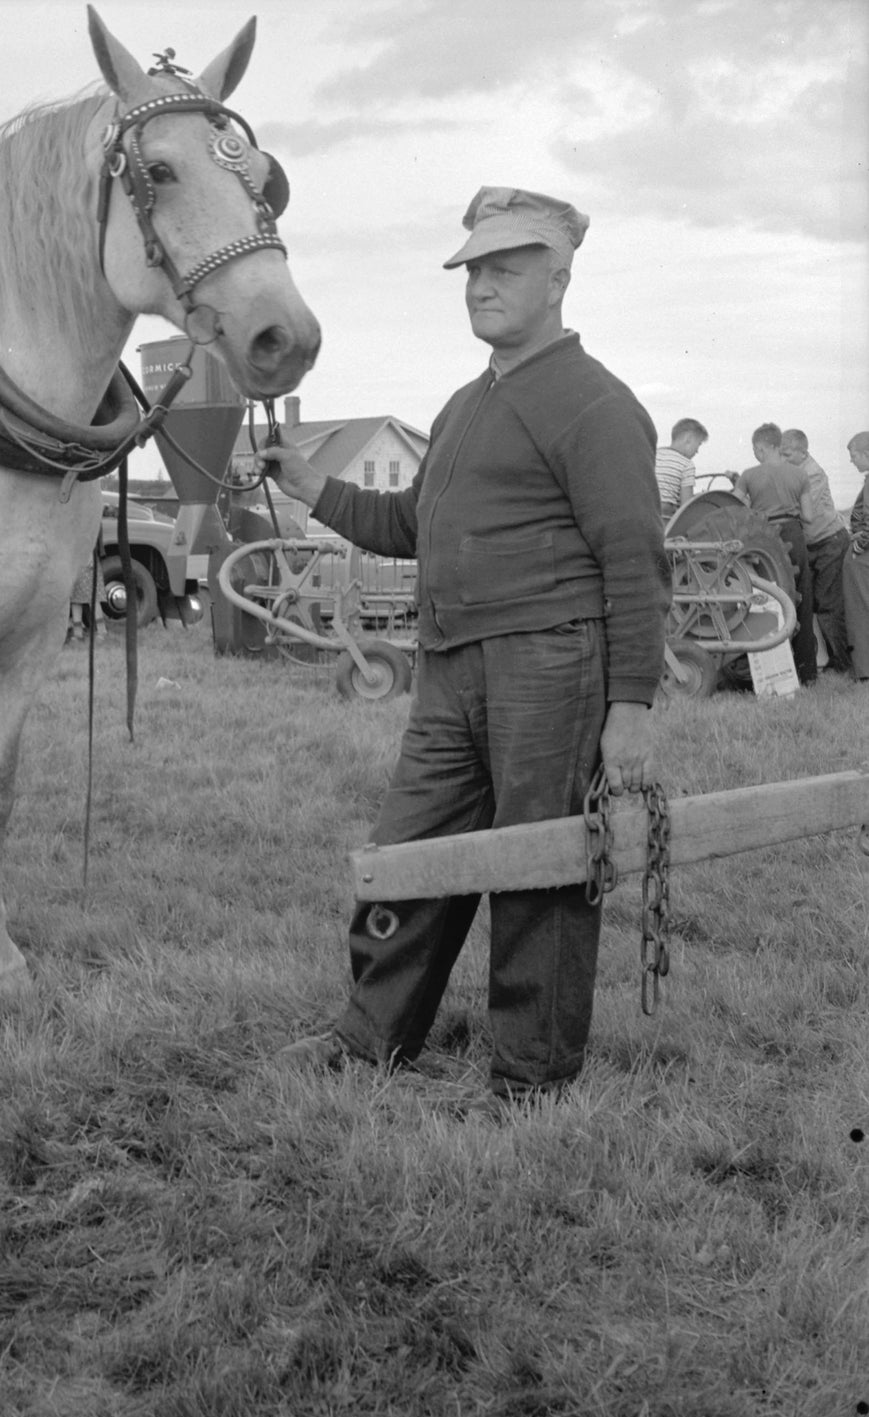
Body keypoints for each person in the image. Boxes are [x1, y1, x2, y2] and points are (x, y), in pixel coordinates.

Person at [261, 186, 670, 1103]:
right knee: (408, 853)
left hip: (550, 667)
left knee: (542, 866)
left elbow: (635, 563)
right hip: (451, 667)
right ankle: (372, 1037)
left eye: (504, 268)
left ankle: (530, 1072)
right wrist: (311, 485)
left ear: (558, 277)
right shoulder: (461, 404)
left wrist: (631, 707)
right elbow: (409, 523)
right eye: (472, 269)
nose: (479, 286)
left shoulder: (594, 404)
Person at [732, 423, 817, 685]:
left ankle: (770, 675)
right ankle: (806, 673)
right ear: (778, 445)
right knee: (802, 601)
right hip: (794, 534)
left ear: (760, 448)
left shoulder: (748, 475)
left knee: (767, 603)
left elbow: (735, 509)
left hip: (765, 541)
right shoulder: (799, 475)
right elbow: (809, 517)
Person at [781, 428, 851, 673]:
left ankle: (844, 664)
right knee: (811, 603)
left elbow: (802, 511)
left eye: (787, 454)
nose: (783, 459)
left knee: (828, 605)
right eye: (781, 454)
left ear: (803, 452)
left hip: (830, 542)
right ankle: (829, 659)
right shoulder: (794, 474)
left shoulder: (814, 474)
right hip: (812, 546)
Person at [842, 432, 869, 681]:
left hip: (863, 558)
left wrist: (859, 544)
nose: (852, 461)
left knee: (860, 610)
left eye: (854, 456)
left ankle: (864, 670)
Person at [655, 418, 708, 522]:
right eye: (699, 444)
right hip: (663, 520)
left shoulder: (653, 453)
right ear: (688, 439)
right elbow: (685, 507)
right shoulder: (686, 464)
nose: (697, 451)